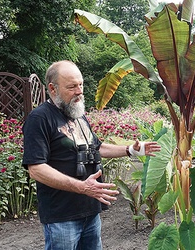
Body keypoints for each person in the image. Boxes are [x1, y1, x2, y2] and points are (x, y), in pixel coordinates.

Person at [22, 60, 161, 250]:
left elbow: (96, 147)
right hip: (62, 217)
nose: (79, 91)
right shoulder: (39, 119)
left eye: (80, 85)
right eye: (71, 87)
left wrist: (130, 150)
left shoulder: (77, 114)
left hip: (90, 212)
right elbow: (36, 169)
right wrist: (82, 187)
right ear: (52, 89)